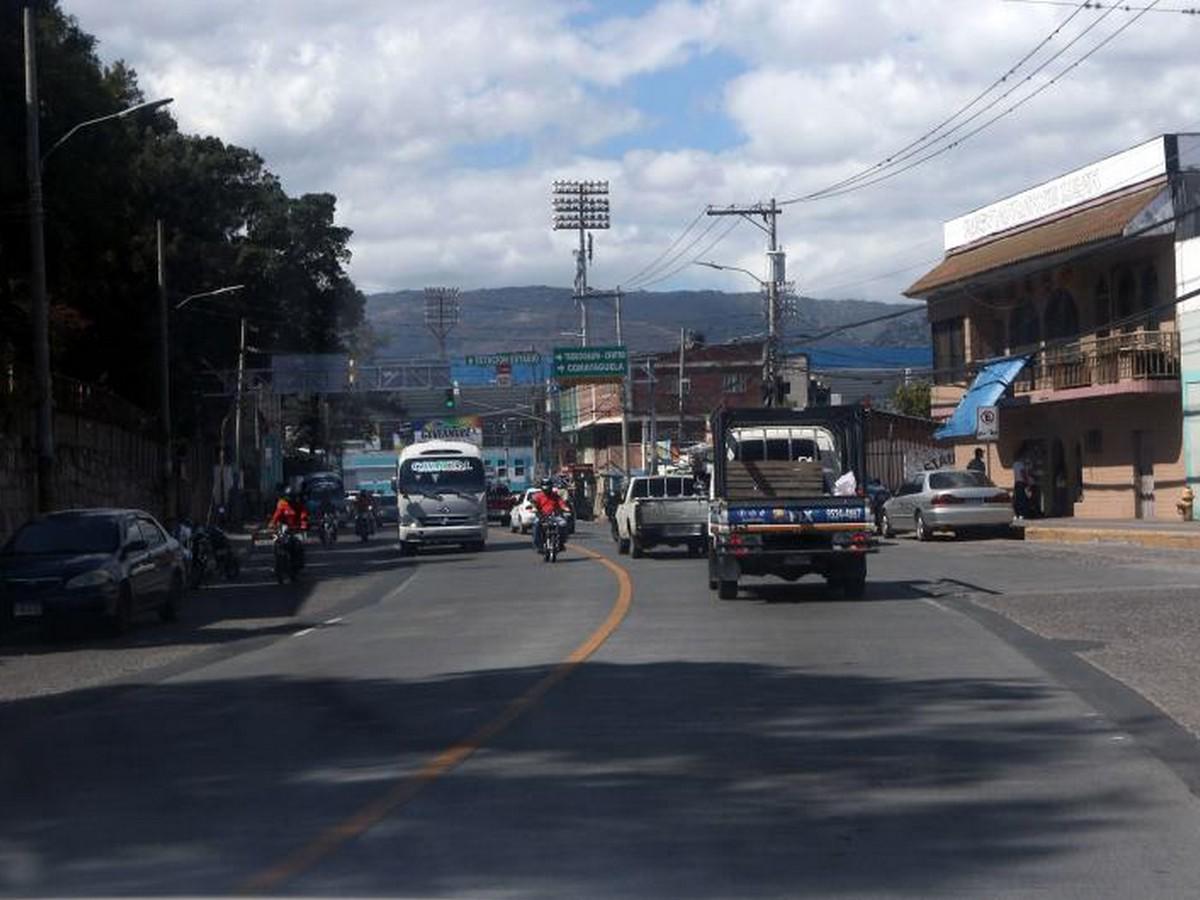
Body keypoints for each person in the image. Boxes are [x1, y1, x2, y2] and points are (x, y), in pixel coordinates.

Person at [269, 486, 309, 568]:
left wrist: (303, 524)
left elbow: (303, 515)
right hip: (284, 528)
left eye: (292, 497)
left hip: (296, 528)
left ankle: (299, 561)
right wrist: (272, 524)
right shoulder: (282, 504)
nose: (290, 499)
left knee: (299, 544)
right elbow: (276, 516)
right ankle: (277, 564)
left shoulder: (298, 505)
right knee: (276, 543)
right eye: (288, 497)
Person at [531, 477, 570, 553]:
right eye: (544, 485)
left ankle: (561, 543)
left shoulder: (555, 496)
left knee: (563, 524)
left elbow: (561, 503)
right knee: (536, 525)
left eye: (548, 485)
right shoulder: (538, 496)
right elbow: (534, 503)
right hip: (542, 516)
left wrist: (565, 508)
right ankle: (538, 545)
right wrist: (534, 508)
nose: (546, 488)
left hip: (554, 516)